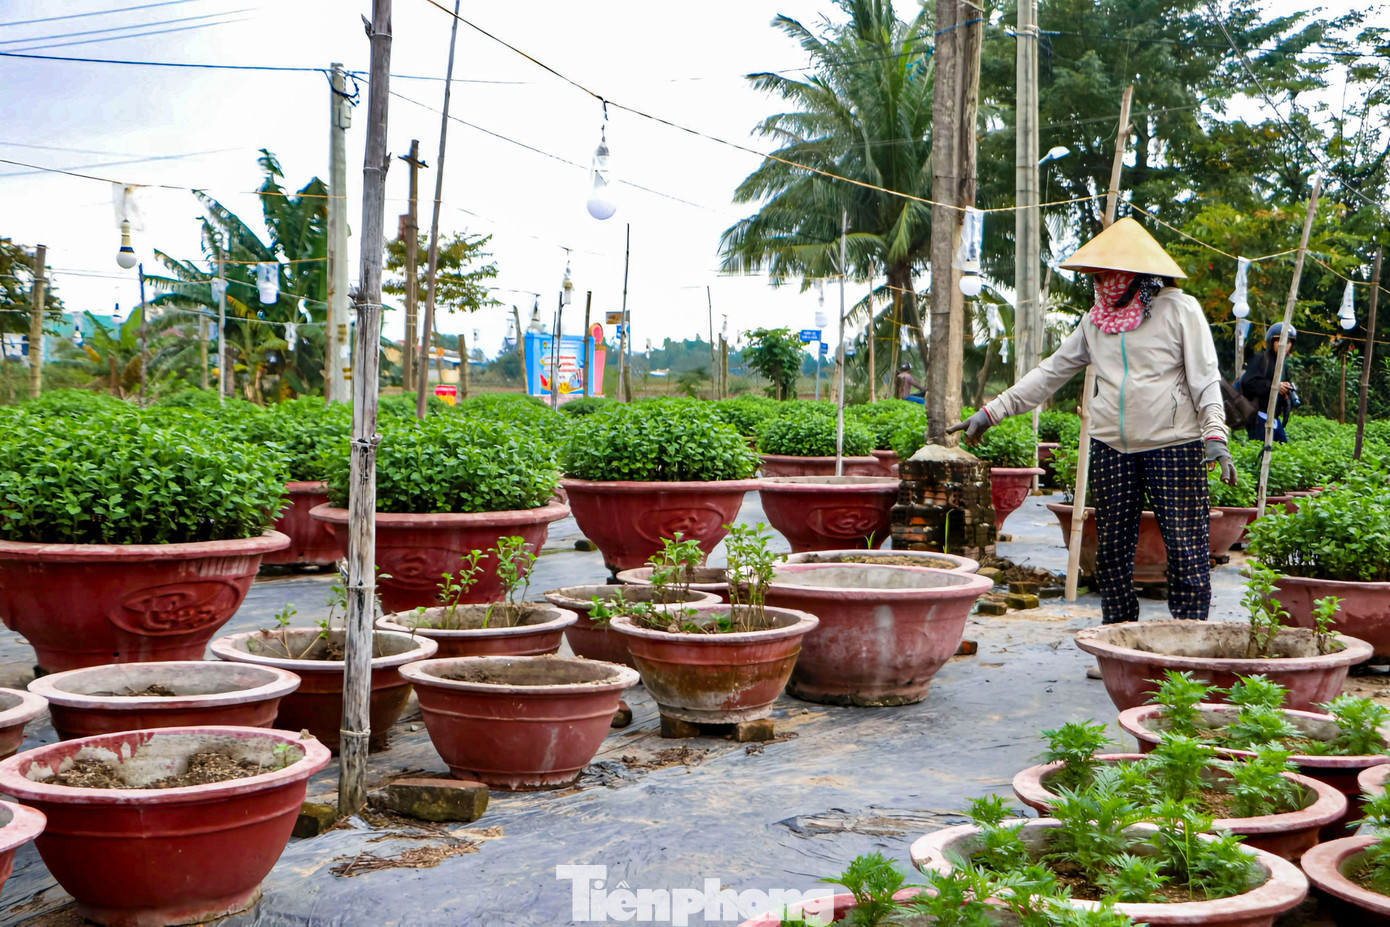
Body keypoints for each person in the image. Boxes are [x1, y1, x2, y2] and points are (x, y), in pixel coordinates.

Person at [949, 217, 1237, 625]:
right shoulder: (1095, 320)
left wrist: (1215, 435)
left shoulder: (1179, 310)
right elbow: (1051, 372)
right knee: (1111, 550)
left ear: (1137, 274)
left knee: (1185, 545)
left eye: (1110, 274)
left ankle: (1189, 636)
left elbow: (1205, 378)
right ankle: (1117, 634)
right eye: (1097, 276)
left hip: (1173, 443)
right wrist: (992, 411)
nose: (1103, 283)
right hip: (1111, 445)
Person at [1238, 323, 1296, 444]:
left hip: (1274, 419)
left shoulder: (1283, 365)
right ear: (1272, 342)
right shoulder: (1261, 359)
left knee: (1283, 450)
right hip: (1259, 417)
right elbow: (1247, 382)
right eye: (1280, 341)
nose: (1284, 345)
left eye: (1288, 342)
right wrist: (1274, 386)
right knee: (1260, 452)